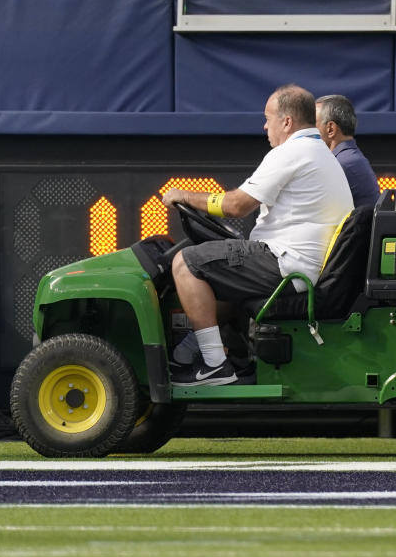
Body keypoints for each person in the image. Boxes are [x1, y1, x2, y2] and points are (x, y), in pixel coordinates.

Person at [162, 84, 354, 387]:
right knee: (220, 276)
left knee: (186, 263)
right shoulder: (318, 153)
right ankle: (222, 357)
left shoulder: (292, 152)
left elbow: (236, 205)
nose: (265, 126)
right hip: (300, 264)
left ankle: (215, 366)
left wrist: (183, 196)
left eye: (268, 119)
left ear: (287, 122)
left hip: (289, 265)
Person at [315, 94, 380, 208]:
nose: (308, 131)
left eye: (312, 124)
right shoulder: (350, 158)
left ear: (330, 129)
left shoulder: (340, 165)